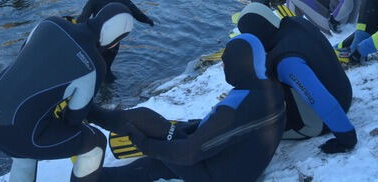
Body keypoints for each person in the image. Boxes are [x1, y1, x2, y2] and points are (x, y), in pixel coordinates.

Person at [89, 34, 285, 182]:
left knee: (144, 122)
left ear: (239, 64)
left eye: (226, 62)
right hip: (237, 165)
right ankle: (99, 176)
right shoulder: (270, 89)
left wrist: (145, 145)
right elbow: (234, 130)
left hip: (217, 174)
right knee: (159, 159)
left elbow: (189, 154)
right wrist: (190, 129)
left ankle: (90, 114)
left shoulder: (236, 107)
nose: (224, 67)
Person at [0, 4, 134, 182]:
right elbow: (73, 120)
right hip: (15, 134)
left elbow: (25, 57)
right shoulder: (95, 65)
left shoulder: (50, 23)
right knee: (95, 143)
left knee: (27, 138)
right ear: (115, 40)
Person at [236, 3, 355, 146]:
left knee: (253, 130)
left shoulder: (286, 61)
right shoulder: (298, 23)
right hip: (344, 92)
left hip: (321, 121)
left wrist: (346, 136)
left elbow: (318, 97)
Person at [77, 0, 154, 82]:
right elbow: (138, 15)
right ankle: (109, 91)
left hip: (96, 40)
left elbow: (82, 19)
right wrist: (149, 21)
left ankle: (97, 90)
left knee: (94, 68)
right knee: (107, 69)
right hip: (114, 41)